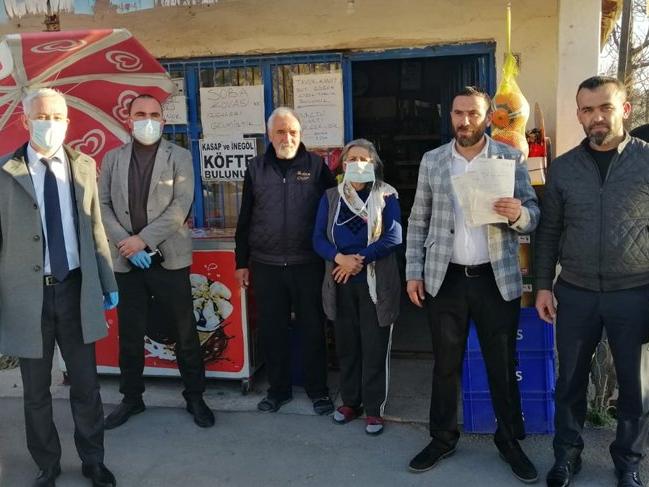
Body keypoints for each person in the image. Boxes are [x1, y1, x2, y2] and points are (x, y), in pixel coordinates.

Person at [405, 86, 540, 483]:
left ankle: (509, 440)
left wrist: (517, 214)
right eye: (458, 113)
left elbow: (534, 213)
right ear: (450, 116)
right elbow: (418, 219)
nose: (465, 121)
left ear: (487, 117)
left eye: (473, 113)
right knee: (445, 365)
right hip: (445, 278)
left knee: (502, 364)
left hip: (494, 279)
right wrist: (413, 271)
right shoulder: (433, 161)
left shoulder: (509, 158)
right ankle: (442, 438)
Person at [0, 88, 118, 487]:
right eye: (41, 116)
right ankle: (46, 464)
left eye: (56, 117)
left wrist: (107, 280)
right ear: (26, 121)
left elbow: (95, 227)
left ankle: (93, 460)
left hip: (75, 290)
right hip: (26, 297)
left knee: (86, 384)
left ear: (67, 122)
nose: (49, 124)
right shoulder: (5, 172)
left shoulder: (83, 166)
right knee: (35, 391)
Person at [535, 76, 649, 487]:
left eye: (605, 107)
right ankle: (567, 456)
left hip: (635, 292)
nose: (596, 117)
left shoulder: (647, 161)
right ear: (579, 115)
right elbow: (549, 231)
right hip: (576, 292)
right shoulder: (564, 169)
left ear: (625, 110)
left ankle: (628, 461)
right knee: (569, 381)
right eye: (587, 110)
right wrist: (543, 285)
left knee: (635, 388)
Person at [99, 94, 214, 430]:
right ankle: (131, 398)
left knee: (184, 331)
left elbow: (181, 205)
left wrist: (143, 240)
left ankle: (195, 396)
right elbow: (102, 204)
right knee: (130, 333)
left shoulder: (179, 156)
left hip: (168, 259)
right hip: (127, 260)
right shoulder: (113, 158)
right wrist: (126, 242)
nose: (146, 120)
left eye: (153, 114)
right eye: (140, 114)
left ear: (163, 121)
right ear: (128, 119)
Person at [235, 106, 337, 414]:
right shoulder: (255, 168)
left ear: (300, 134)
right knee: (272, 330)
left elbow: (335, 212)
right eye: (280, 132)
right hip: (266, 265)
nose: (287, 138)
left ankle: (318, 391)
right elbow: (245, 217)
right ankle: (277, 391)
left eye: (292, 132)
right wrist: (241, 262)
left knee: (313, 329)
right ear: (269, 135)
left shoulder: (317, 167)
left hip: (308, 263)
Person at [313, 138, 402, 435]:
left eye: (364, 159)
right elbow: (318, 239)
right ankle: (351, 402)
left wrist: (358, 260)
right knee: (347, 345)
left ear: (374, 164)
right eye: (352, 159)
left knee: (374, 347)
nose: (358, 163)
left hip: (375, 284)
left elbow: (393, 237)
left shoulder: (386, 194)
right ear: (343, 164)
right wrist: (339, 258)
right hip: (340, 281)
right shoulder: (331, 197)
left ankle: (374, 409)